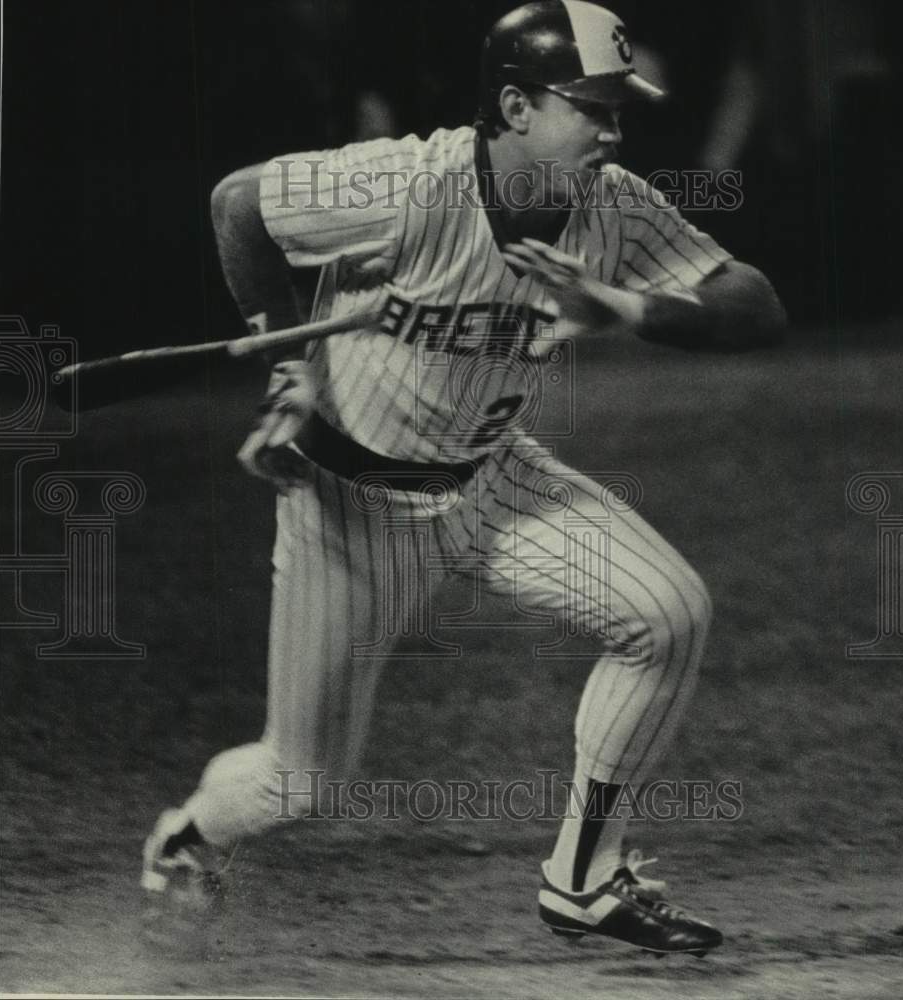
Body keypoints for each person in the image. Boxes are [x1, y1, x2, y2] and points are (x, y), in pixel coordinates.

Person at [142, 0, 784, 955]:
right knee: (301, 784)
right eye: (592, 107)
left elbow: (754, 302)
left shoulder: (610, 205)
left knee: (667, 613)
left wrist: (628, 306)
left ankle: (584, 881)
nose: (613, 130)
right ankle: (186, 837)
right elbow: (240, 204)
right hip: (350, 508)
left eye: (618, 109)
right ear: (516, 107)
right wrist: (290, 371)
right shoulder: (406, 182)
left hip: (489, 483)